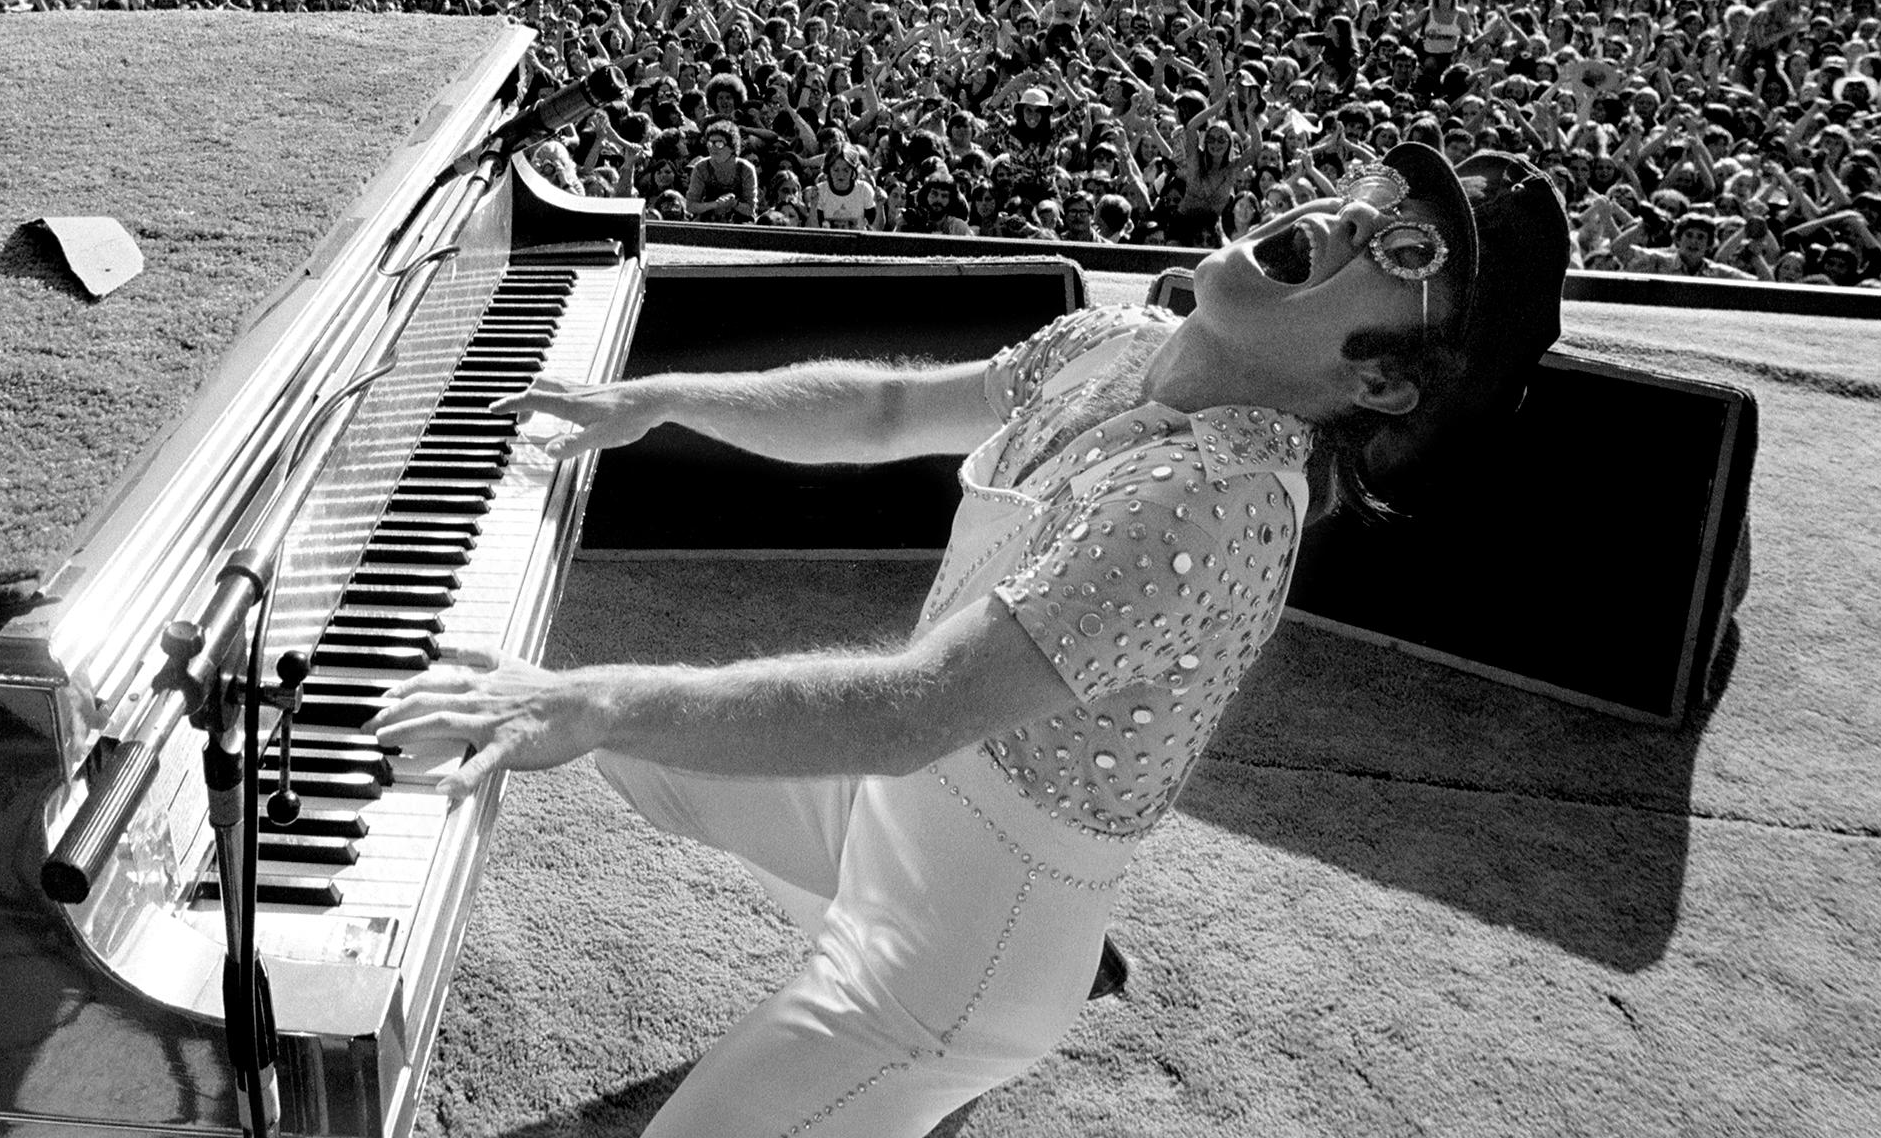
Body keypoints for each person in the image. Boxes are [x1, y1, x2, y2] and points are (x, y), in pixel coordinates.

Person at [374, 150, 1571, 1138]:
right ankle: (956, 1004)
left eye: (1404, 254)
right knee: (653, 753)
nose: (1347, 221)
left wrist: (581, 695)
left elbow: (910, 709)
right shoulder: (1118, 343)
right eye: (1369, 196)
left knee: (637, 741)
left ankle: (965, 1036)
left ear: (1393, 386)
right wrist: (667, 396)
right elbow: (889, 408)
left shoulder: (1214, 498)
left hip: (960, 949)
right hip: (905, 813)